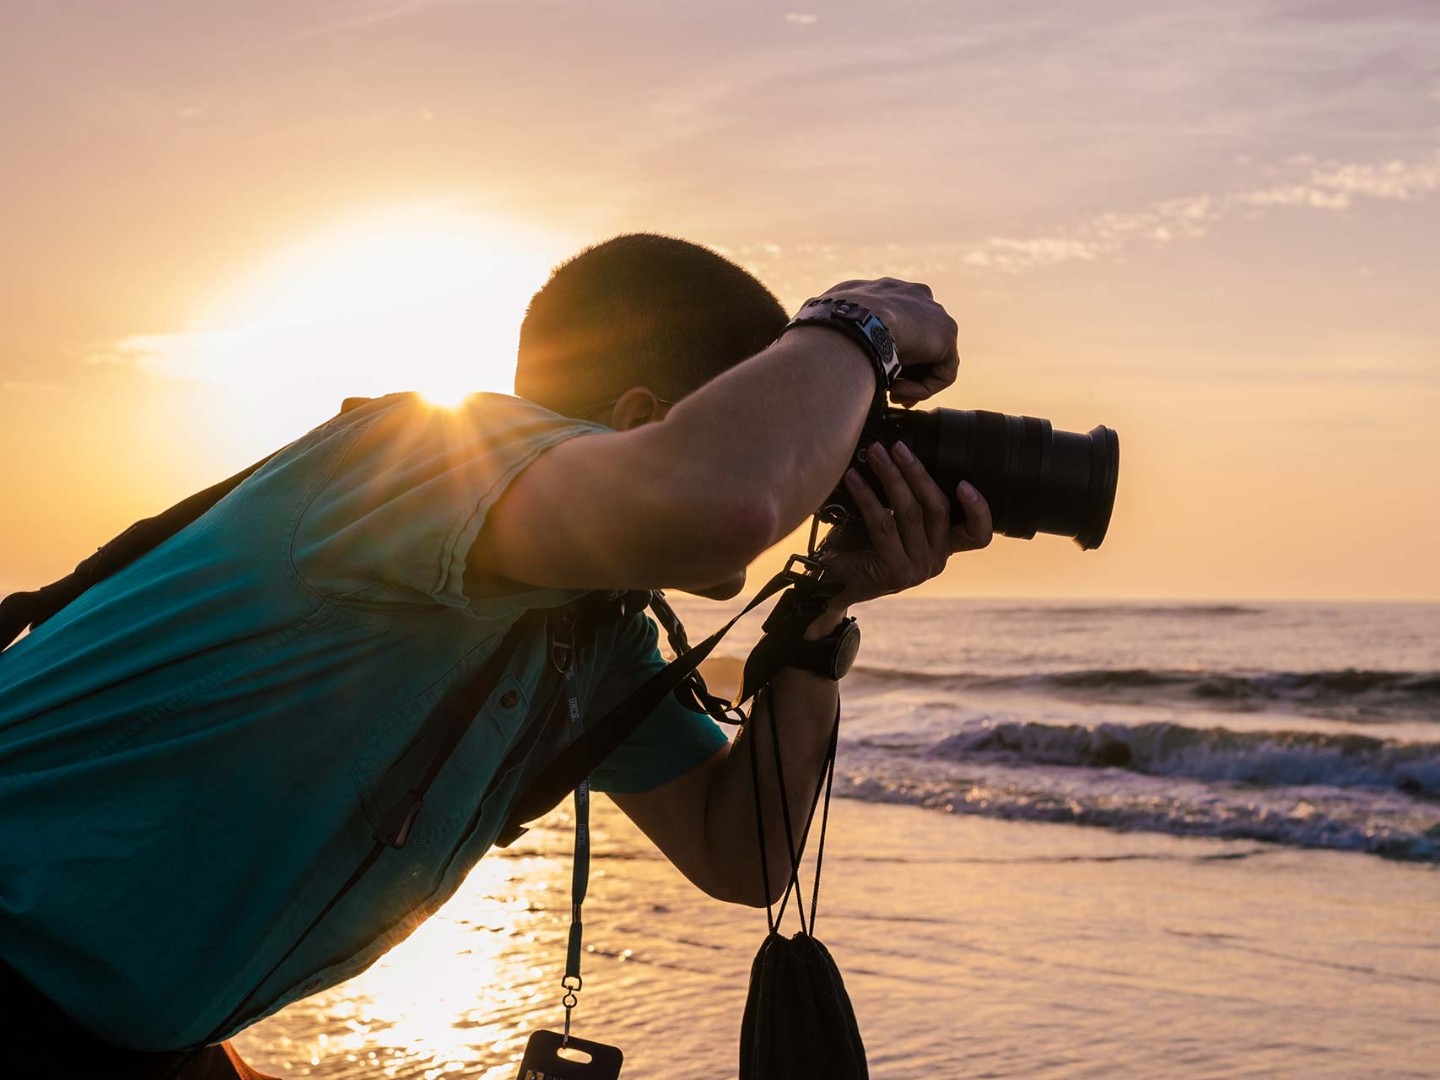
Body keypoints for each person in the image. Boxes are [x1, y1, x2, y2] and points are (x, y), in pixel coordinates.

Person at [0, 233, 992, 1078]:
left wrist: (822, 615)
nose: (800, 487)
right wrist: (857, 323)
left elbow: (743, 854)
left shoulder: (587, 635)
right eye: (793, 441)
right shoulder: (426, 460)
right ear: (647, 423)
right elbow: (720, 501)